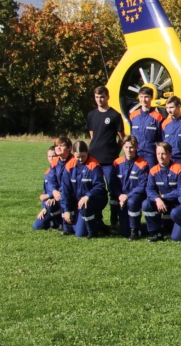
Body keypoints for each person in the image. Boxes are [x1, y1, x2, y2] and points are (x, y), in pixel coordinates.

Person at [87, 85, 125, 227]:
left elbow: (122, 138)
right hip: (94, 159)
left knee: (113, 189)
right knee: (96, 188)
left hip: (109, 159)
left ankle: (114, 218)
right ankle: (98, 217)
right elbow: (92, 136)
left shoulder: (115, 115)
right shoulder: (91, 115)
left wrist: (116, 153)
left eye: (102, 97)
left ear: (108, 97)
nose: (99, 100)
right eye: (97, 97)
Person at [60, 140, 109, 238]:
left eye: (83, 156)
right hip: (77, 200)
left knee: (80, 233)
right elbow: (66, 189)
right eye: (78, 157)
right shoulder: (69, 165)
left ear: (87, 152)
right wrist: (66, 210)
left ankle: (95, 227)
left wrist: (88, 196)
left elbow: (99, 186)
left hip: (94, 199)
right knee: (62, 200)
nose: (81, 159)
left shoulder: (94, 165)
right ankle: (69, 227)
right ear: (73, 154)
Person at [142, 143, 181, 242]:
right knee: (146, 204)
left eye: (163, 154)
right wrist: (157, 199)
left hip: (177, 204)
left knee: (176, 237)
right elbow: (149, 189)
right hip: (162, 202)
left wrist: (163, 196)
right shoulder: (153, 170)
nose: (160, 157)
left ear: (170, 154)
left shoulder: (178, 168)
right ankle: (156, 232)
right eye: (158, 154)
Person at [110, 135, 149, 240]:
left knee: (132, 202)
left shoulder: (143, 163)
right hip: (122, 197)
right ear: (123, 147)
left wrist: (127, 196)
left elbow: (142, 185)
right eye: (126, 147)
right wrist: (120, 195)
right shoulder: (117, 162)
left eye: (131, 147)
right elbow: (112, 183)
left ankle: (135, 231)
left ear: (136, 147)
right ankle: (144, 228)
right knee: (124, 232)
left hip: (135, 196)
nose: (129, 150)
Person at [129, 87, 163, 166]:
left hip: (151, 155)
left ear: (151, 98)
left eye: (146, 97)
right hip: (136, 153)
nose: (143, 100)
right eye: (141, 97)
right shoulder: (133, 115)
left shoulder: (158, 117)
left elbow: (161, 139)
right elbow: (131, 136)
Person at [34, 146, 63, 231]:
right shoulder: (47, 172)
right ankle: (53, 222)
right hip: (48, 204)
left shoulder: (61, 170)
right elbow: (45, 190)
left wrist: (49, 196)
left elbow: (62, 188)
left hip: (58, 202)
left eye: (53, 156)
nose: (51, 158)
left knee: (51, 205)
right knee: (37, 226)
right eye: (49, 156)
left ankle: (60, 223)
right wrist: (44, 207)